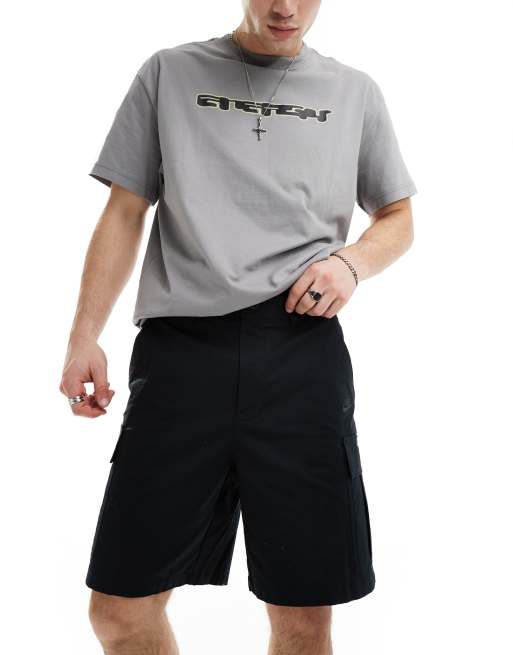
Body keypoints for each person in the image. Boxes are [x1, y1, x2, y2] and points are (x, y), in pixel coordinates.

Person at [59, 1, 417, 653]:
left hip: (300, 353)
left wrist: (350, 264)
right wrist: (84, 335)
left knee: (302, 615)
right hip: (180, 355)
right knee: (119, 608)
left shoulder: (353, 92)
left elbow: (397, 216)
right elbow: (124, 210)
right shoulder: (168, 73)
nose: (285, 8)